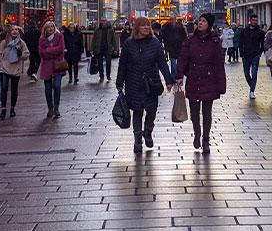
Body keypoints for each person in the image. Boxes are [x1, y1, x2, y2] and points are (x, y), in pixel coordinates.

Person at [117, 17, 173, 154]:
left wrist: (168, 80)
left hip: (151, 82)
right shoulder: (129, 43)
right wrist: (119, 82)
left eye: (148, 25)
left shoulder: (155, 43)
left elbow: (162, 62)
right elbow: (122, 64)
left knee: (151, 110)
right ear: (137, 28)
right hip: (133, 82)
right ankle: (137, 139)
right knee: (137, 111)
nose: (146, 28)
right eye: (143, 26)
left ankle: (148, 131)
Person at [175, 13, 225, 154]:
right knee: (194, 112)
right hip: (193, 79)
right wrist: (179, 75)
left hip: (209, 80)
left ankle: (206, 139)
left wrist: (221, 85)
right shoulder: (190, 40)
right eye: (199, 21)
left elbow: (219, 64)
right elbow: (183, 58)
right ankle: (197, 133)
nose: (201, 23)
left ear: (209, 24)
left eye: (204, 21)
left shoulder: (215, 41)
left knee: (207, 113)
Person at [0, 26, 27, 119]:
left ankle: (12, 108)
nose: (14, 31)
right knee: (4, 88)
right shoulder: (4, 42)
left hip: (16, 68)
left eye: (16, 30)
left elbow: (26, 54)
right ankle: (3, 110)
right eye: (12, 29)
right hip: (5, 68)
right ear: (9, 32)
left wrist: (21, 54)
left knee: (14, 89)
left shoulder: (21, 43)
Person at [38, 21, 67, 118]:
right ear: (45, 29)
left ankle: (56, 108)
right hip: (46, 67)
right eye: (48, 27)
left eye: (52, 26)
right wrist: (54, 51)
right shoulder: (42, 39)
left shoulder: (59, 36)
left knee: (57, 86)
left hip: (57, 66)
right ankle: (50, 108)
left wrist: (49, 50)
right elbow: (42, 53)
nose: (51, 28)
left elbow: (61, 49)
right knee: (48, 89)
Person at [239, 13, 265, 99]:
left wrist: (259, 53)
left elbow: (263, 44)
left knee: (254, 73)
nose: (255, 22)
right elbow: (241, 42)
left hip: (255, 55)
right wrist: (241, 53)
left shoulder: (260, 32)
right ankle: (252, 86)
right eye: (253, 20)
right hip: (246, 55)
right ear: (250, 20)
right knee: (246, 73)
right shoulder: (244, 31)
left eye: (256, 20)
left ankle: (252, 91)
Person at [91, 18, 118, 83]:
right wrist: (92, 49)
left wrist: (115, 48)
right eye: (102, 21)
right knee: (100, 63)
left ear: (106, 21)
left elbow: (113, 39)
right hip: (99, 48)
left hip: (107, 48)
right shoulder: (97, 29)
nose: (103, 22)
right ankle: (101, 76)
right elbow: (94, 40)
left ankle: (108, 76)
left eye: (104, 21)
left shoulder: (110, 29)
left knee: (108, 62)